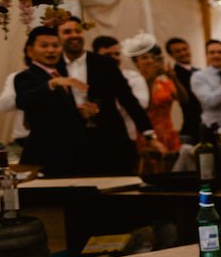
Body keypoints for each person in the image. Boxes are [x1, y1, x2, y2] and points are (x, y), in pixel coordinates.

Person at [59, 18, 152, 174]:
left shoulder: (104, 63)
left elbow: (127, 98)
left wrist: (148, 132)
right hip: (70, 141)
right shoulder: (54, 66)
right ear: (58, 37)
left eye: (78, 31)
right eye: (67, 32)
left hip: (109, 137)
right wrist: (75, 111)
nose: (74, 35)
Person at [13, 24, 89, 175]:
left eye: (55, 45)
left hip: (70, 152)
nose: (51, 50)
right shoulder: (26, 76)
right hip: (46, 153)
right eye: (44, 46)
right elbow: (23, 101)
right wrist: (51, 84)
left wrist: (80, 112)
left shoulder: (58, 75)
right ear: (30, 51)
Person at [127, 35, 182, 158]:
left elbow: (184, 100)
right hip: (146, 134)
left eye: (153, 57)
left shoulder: (164, 83)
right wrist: (150, 80)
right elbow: (142, 108)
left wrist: (174, 78)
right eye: (144, 57)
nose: (150, 61)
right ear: (136, 62)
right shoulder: (132, 83)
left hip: (168, 133)